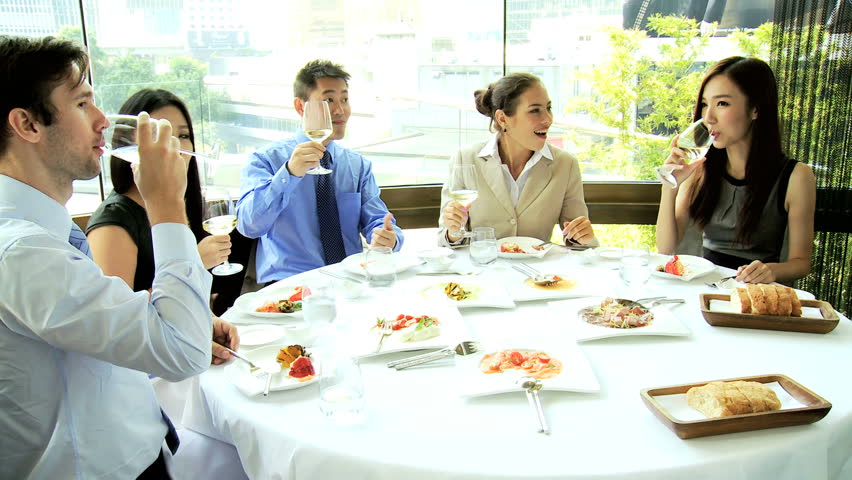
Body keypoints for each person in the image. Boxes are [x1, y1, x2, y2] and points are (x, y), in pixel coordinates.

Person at [0, 36, 213, 477]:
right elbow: (184, 352)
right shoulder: (21, 251)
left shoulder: (46, 232)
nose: (102, 121)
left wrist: (180, 321)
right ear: (27, 124)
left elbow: (100, 330)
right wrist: (167, 205)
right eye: (82, 104)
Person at [86, 88, 239, 364]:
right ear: (127, 146)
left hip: (183, 352)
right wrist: (193, 263)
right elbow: (114, 318)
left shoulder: (177, 205)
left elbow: (177, 307)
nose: (174, 147)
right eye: (158, 137)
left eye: (182, 136)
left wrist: (207, 320)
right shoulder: (114, 221)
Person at [236, 59, 402, 283]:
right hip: (289, 286)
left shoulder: (357, 166)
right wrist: (289, 174)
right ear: (300, 107)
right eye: (328, 100)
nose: (340, 110)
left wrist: (388, 238)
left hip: (349, 281)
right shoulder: (266, 160)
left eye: (344, 99)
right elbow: (249, 225)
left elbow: (378, 221)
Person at [655, 56, 816, 284]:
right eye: (704, 104)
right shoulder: (700, 168)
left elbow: (801, 262)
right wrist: (670, 185)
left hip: (757, 295)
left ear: (755, 110)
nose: (708, 117)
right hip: (709, 290)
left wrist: (770, 271)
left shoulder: (796, 176)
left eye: (722, 104)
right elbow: (665, 248)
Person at [438, 72, 596, 247]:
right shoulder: (465, 159)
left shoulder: (565, 164)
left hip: (538, 272)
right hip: (484, 270)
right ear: (503, 118)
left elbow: (577, 240)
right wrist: (453, 231)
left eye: (548, 108)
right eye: (535, 110)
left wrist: (583, 237)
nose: (548, 119)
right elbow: (444, 240)